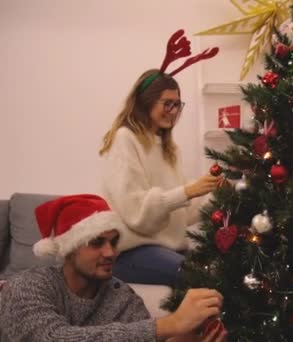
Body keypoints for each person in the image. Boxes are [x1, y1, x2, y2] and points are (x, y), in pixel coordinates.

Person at [1, 194, 227, 342]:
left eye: (114, 241)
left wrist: (183, 337)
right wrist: (170, 324)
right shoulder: (26, 286)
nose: (110, 253)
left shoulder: (121, 296)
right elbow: (52, 337)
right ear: (69, 249)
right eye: (97, 243)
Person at [99, 30, 221, 287]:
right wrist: (187, 191)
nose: (174, 111)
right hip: (132, 252)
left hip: (169, 250)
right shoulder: (125, 139)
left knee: (225, 269)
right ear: (146, 102)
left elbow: (182, 216)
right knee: (201, 277)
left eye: (178, 104)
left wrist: (215, 193)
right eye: (167, 103)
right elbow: (136, 213)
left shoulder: (168, 149)